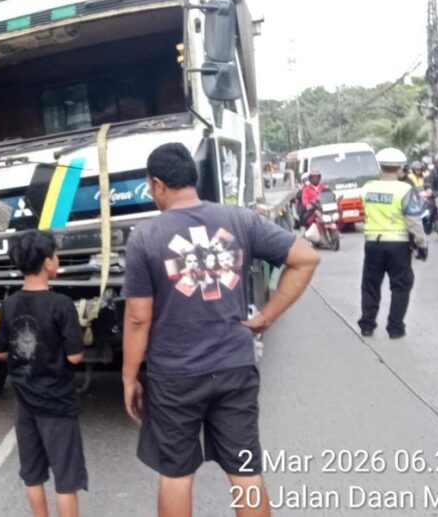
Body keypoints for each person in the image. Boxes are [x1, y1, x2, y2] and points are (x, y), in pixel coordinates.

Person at [121, 143, 320, 517]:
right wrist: (267, 315)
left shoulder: (145, 236)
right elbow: (306, 258)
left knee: (176, 475)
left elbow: (137, 317)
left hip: (174, 376)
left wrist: (129, 377)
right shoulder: (240, 219)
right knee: (245, 471)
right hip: (234, 366)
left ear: (158, 184)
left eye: (150, 187)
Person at [0, 230, 86, 517]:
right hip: (57, 401)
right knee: (65, 478)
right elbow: (74, 356)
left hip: (24, 401)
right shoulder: (62, 304)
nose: (57, 260)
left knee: (32, 474)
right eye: (56, 256)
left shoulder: (9, 305)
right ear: (47, 262)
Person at [358, 148, 428, 339]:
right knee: (401, 285)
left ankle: (367, 325)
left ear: (380, 167)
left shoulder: (367, 188)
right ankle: (395, 328)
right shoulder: (404, 190)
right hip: (398, 244)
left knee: (370, 284)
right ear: (400, 169)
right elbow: (413, 221)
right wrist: (422, 244)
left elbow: (365, 210)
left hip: (373, 243)